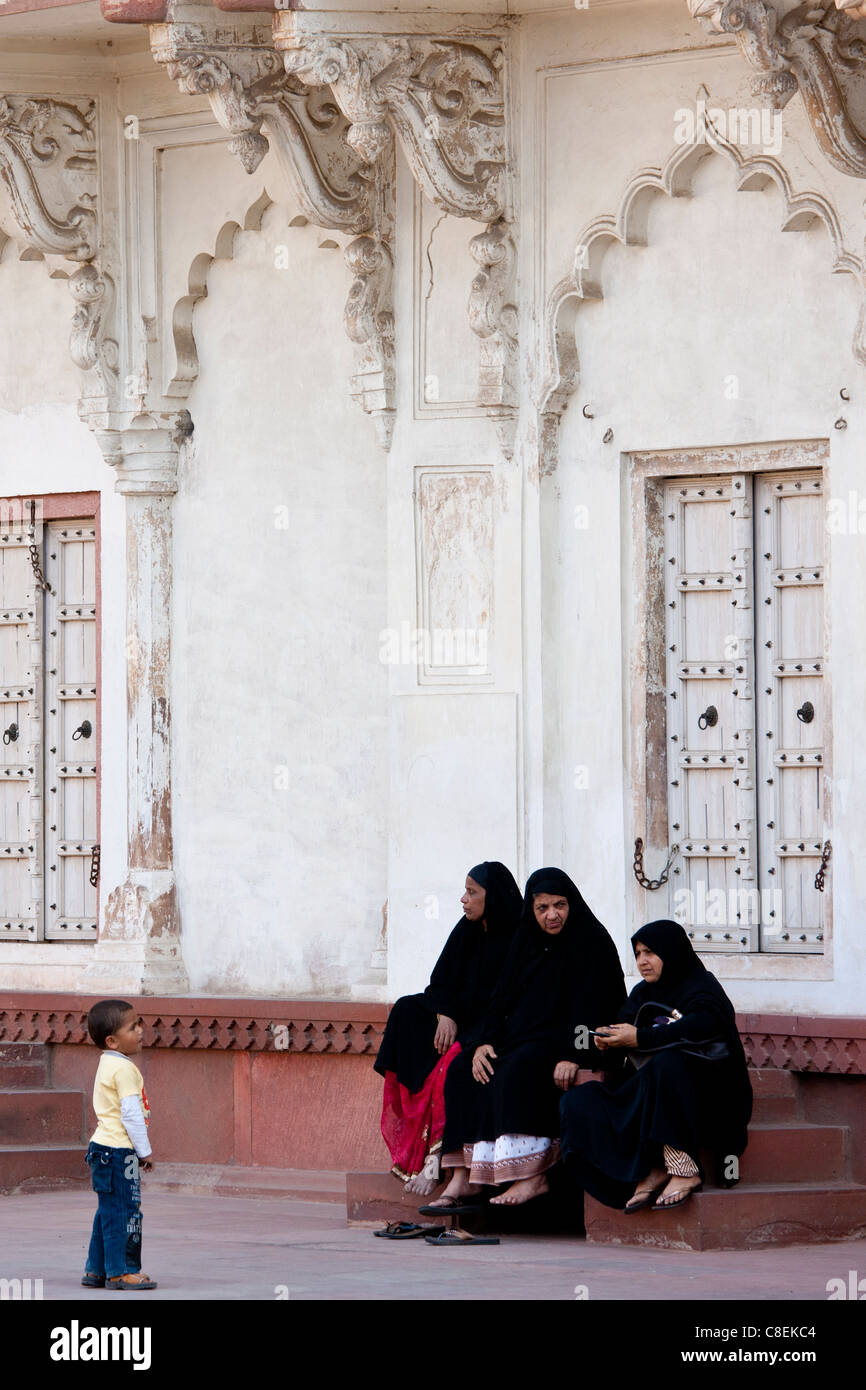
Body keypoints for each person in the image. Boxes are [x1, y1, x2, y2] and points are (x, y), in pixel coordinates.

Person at [425, 867, 625, 1210]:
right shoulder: (526, 941)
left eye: (559, 905)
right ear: (531, 910)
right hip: (522, 1037)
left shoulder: (590, 941)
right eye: (542, 907)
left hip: (566, 1043)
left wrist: (576, 1056)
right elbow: (500, 1000)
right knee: (463, 1070)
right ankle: (464, 1174)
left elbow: (599, 1009)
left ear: (571, 904)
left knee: (516, 1070)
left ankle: (533, 1175)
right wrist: (484, 1042)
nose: (552, 915)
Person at [559, 919, 753, 1211]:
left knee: (668, 1064)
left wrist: (639, 1037)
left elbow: (703, 1026)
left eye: (650, 952)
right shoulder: (642, 993)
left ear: (671, 951)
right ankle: (648, 1170)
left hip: (707, 1095)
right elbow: (625, 1034)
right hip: (651, 1090)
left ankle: (683, 1168)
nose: (642, 961)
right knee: (579, 1100)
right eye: (637, 954)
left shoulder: (702, 986)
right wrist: (608, 1041)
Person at [374, 862, 522, 1195]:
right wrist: (445, 1012)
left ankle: (437, 1155)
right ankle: (415, 1150)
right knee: (407, 1011)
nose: (463, 900)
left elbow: (507, 1000)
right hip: (461, 1019)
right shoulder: (468, 929)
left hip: (492, 1026)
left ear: (492, 896)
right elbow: (441, 980)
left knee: (449, 1065)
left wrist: (472, 1028)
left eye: (472, 893)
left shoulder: (516, 937)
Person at [81, 999, 158, 1291]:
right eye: (132, 1026)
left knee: (108, 1211)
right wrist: (144, 1151)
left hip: (102, 1149)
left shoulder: (108, 1062)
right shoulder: (124, 1069)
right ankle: (122, 1271)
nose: (140, 1030)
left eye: (139, 1023)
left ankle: (97, 1269)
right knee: (126, 1211)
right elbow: (131, 1114)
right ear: (112, 1041)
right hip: (118, 1152)